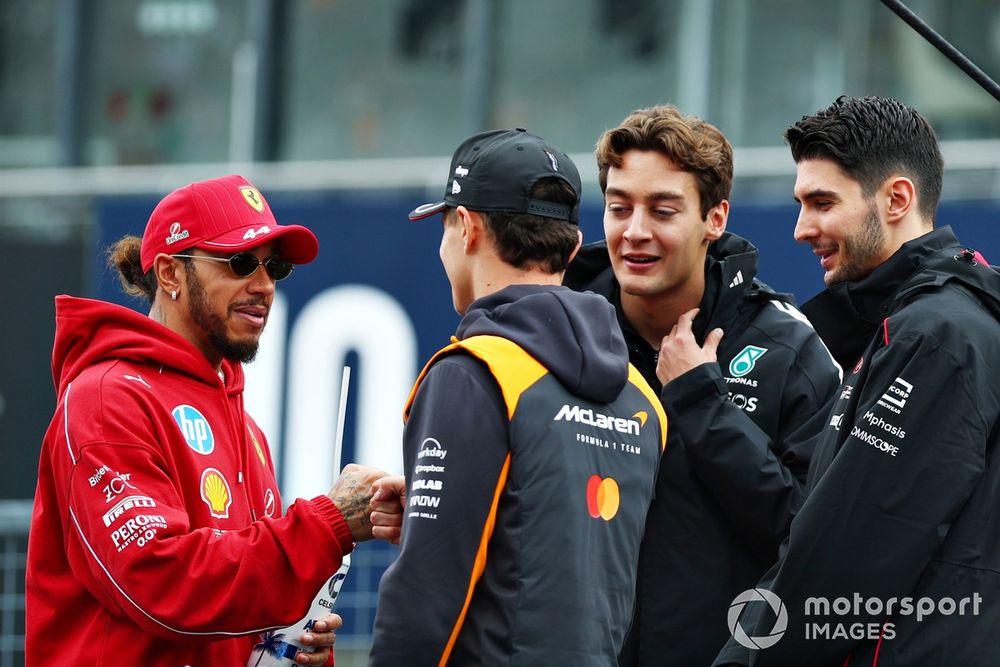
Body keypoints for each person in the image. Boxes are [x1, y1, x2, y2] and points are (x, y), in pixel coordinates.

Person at [25, 174, 401, 666]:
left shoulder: (244, 424)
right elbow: (161, 586)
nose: (264, 286)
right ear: (169, 274)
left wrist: (292, 641)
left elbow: (235, 596)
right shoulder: (106, 398)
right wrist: (326, 525)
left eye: (276, 266)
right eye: (240, 262)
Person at [714, 96, 1000, 666]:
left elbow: (850, 547)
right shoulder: (925, 320)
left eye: (822, 202)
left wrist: (749, 658)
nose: (801, 228)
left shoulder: (937, 332)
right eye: (800, 203)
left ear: (896, 199)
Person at [369, 128, 667, 666]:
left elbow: (427, 592)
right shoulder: (643, 397)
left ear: (466, 228)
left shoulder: (473, 373)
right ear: (573, 247)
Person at [563, 104, 842, 666]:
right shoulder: (558, 332)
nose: (635, 232)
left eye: (663, 211)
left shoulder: (788, 347)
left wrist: (700, 400)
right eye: (619, 209)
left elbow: (814, 534)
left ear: (714, 219)